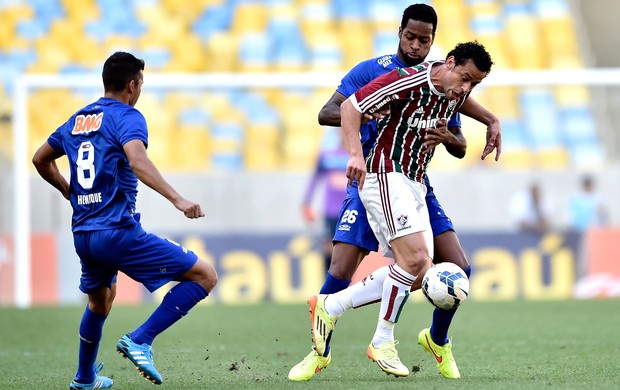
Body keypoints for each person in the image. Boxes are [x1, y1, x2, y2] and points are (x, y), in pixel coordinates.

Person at [288, 4, 501, 381]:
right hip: (374, 175)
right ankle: (323, 350)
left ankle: (436, 339)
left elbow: (460, 125)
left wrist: (483, 123)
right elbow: (333, 111)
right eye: (411, 37)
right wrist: (364, 129)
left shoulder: (447, 82)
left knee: (445, 269)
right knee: (342, 268)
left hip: (417, 182)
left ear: (435, 43)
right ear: (399, 32)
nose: (418, 45)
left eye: (425, 40)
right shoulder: (382, 73)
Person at [31, 52, 218, 390]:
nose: (140, 90)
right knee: (205, 275)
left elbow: (40, 158)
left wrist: (69, 192)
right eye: (141, 84)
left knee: (99, 302)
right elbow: (138, 160)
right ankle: (141, 340)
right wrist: (178, 199)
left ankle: (84, 379)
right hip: (117, 232)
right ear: (132, 85)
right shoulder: (128, 116)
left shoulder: (77, 119)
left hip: (84, 234)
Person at [301, 131, 349, 271]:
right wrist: (306, 202)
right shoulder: (327, 156)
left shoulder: (358, 156)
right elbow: (315, 179)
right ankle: (329, 281)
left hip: (351, 209)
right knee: (329, 246)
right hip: (332, 209)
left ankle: (342, 283)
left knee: (347, 248)